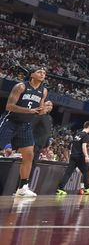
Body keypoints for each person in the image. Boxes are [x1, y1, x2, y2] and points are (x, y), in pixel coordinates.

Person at [0, 67, 48, 198]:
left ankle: (23, 187)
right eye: (39, 72)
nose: (42, 74)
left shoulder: (43, 91)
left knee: (29, 155)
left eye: (44, 73)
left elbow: (40, 109)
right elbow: (9, 106)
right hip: (10, 121)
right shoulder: (20, 87)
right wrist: (30, 111)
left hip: (24, 125)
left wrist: (43, 111)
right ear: (32, 74)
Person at [55, 121, 89, 195]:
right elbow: (83, 146)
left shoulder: (78, 134)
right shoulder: (86, 135)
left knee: (68, 173)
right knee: (86, 171)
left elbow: (73, 145)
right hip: (80, 156)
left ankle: (60, 189)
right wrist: (86, 156)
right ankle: (87, 188)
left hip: (73, 156)